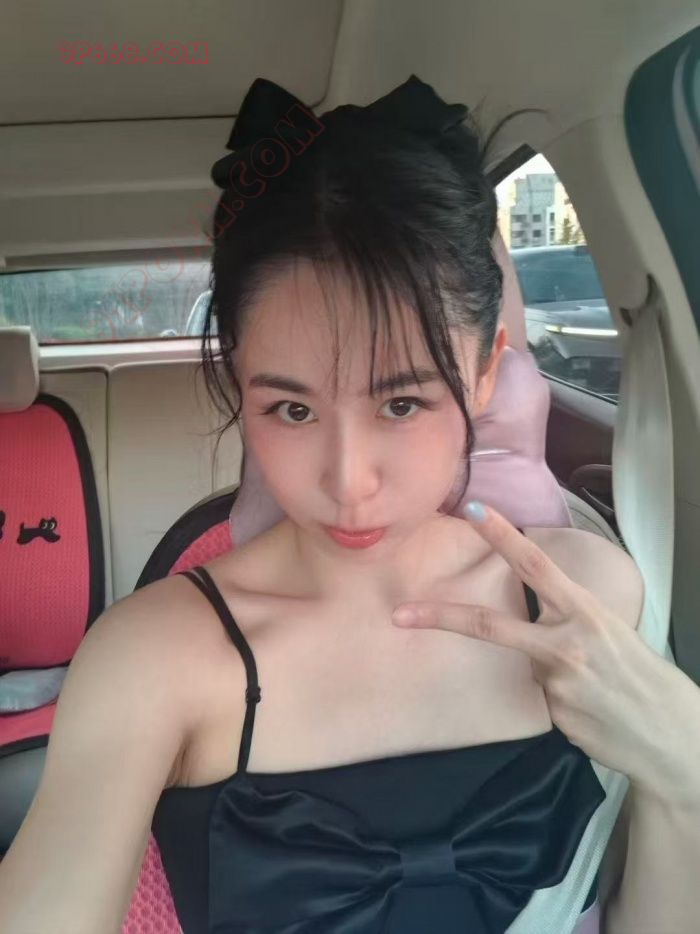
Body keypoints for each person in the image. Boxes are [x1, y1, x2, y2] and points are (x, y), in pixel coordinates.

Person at [0, 76, 649, 934]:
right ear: (240, 386)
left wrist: (684, 767)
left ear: (487, 373)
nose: (348, 483)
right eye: (292, 410)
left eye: (402, 403)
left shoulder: (585, 597)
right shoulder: (153, 657)